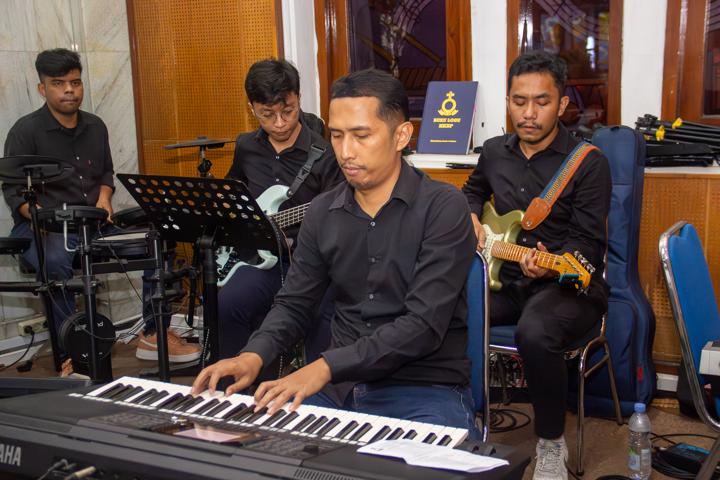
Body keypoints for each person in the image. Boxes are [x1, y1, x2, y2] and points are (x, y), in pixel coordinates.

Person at [192, 68, 479, 437]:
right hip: (337, 389)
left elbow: (422, 326)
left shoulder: (443, 207)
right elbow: (295, 302)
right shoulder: (322, 211)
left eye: (361, 136)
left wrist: (324, 366)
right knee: (260, 453)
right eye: (337, 136)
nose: (345, 152)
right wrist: (254, 355)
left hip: (422, 389)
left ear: (401, 136)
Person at [2, 48, 199, 374]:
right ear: (42, 89)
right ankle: (72, 353)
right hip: (42, 228)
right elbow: (13, 192)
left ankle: (153, 333)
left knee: (157, 240)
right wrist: (39, 215)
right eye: (58, 83)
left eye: (75, 82)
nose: (69, 90)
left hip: (93, 225)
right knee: (54, 259)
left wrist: (104, 200)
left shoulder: (96, 126)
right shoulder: (25, 131)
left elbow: (106, 175)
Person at [462, 51, 611, 480]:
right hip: (505, 280)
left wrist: (550, 266)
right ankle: (463, 418)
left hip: (567, 286)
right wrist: (471, 215)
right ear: (508, 101)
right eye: (519, 101)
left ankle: (550, 443)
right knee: (447, 308)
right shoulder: (494, 152)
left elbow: (588, 247)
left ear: (561, 104)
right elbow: (472, 192)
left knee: (535, 331)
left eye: (541, 102)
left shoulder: (588, 163)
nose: (528, 113)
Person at [215, 59, 344, 365]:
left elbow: (338, 219)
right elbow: (232, 194)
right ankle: (236, 385)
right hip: (260, 261)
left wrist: (298, 242)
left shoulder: (326, 154)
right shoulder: (246, 146)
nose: (280, 123)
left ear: (298, 98)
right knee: (228, 303)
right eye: (267, 114)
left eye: (288, 111)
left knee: (323, 316)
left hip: (309, 265)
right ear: (252, 108)